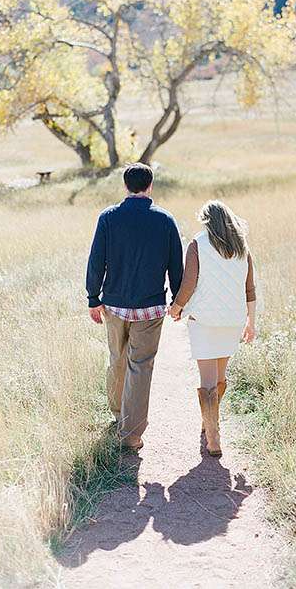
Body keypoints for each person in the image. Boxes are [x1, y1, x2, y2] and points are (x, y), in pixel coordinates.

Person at [86, 163, 184, 451]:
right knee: (140, 366)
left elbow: (96, 261)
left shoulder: (108, 218)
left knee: (117, 359)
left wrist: (94, 298)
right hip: (150, 309)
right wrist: (177, 302)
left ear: (126, 187)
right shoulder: (165, 220)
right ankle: (131, 434)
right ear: (150, 186)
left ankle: (118, 416)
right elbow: (175, 266)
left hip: (114, 305)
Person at [169, 200, 256, 457]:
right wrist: (252, 322)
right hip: (233, 320)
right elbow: (250, 289)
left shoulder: (197, 244)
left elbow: (188, 284)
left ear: (206, 221)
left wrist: (177, 308)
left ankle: (214, 437)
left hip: (204, 320)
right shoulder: (242, 247)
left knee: (207, 381)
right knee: (219, 378)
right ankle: (209, 423)